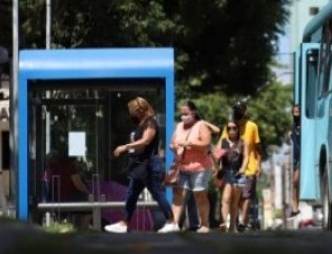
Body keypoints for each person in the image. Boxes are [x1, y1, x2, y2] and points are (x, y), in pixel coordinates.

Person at [105, 97, 178, 234]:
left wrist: (125, 147)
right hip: (140, 164)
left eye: (132, 111)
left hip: (150, 164)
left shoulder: (151, 123)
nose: (131, 114)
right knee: (132, 193)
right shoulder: (143, 123)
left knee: (157, 193)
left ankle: (172, 221)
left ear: (140, 110)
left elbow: (145, 141)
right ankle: (124, 223)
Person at [170, 100, 214, 233]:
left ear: (193, 113)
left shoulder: (200, 125)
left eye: (186, 113)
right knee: (178, 194)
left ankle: (205, 224)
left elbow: (206, 143)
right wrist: (174, 146)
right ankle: (174, 224)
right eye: (181, 113)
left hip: (200, 167)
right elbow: (173, 142)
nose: (183, 116)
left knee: (199, 194)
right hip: (182, 167)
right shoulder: (179, 126)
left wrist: (190, 143)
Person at [218, 101, 260, 231]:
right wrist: (218, 164)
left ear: (245, 111)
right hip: (231, 169)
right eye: (236, 109)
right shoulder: (230, 126)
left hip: (249, 167)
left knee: (245, 197)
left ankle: (243, 221)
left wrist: (258, 164)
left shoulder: (252, 126)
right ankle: (231, 224)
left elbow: (258, 148)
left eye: (241, 109)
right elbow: (221, 147)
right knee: (229, 198)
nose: (232, 130)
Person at [43, 150, 92, 228]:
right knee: (90, 204)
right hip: (68, 198)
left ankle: (76, 227)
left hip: (54, 200)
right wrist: (89, 193)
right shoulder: (68, 167)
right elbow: (78, 184)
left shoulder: (48, 171)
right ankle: (82, 229)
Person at [215, 120, 248, 232]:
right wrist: (219, 154)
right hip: (226, 172)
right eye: (229, 128)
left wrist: (243, 168)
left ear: (238, 129)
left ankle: (232, 226)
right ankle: (223, 223)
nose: (232, 130)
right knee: (225, 198)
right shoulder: (223, 141)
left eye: (234, 128)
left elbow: (246, 157)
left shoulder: (242, 142)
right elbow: (216, 156)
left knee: (234, 202)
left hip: (238, 173)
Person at [289, 104, 302, 217]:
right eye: (294, 112)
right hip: (296, 157)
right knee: (294, 182)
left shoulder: (304, 125)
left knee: (297, 181)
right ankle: (295, 206)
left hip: (304, 156)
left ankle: (296, 206)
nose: (296, 114)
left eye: (297, 111)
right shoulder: (293, 126)